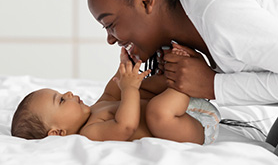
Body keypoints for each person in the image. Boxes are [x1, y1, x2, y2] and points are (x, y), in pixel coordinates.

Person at [87, 0, 278, 154]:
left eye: (110, 24)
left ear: (145, 0)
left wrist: (213, 85)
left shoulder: (221, 16)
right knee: (273, 149)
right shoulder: (198, 26)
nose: (110, 40)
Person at [11, 47, 220, 145]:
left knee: (141, 86)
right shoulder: (90, 133)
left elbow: (114, 89)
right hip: (196, 125)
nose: (68, 93)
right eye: (61, 100)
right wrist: (129, 90)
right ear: (58, 132)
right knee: (155, 111)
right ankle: (185, 77)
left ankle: (176, 74)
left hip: (184, 109)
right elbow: (125, 127)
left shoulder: (94, 108)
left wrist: (125, 65)